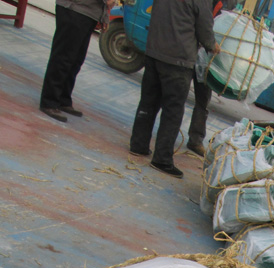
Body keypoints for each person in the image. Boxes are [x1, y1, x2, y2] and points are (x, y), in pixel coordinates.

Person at [129, 0, 220, 179]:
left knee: (148, 102)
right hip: (178, 60)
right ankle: (162, 159)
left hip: (154, 51)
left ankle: (138, 145)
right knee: (173, 111)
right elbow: (205, 28)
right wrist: (212, 45)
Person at [40, 0, 115, 122]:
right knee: (64, 56)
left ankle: (63, 99)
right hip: (75, 9)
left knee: (76, 60)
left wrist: (103, 16)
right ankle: (49, 101)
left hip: (88, 12)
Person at [186, 0, 237, 157]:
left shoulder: (227, 6)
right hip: (188, 50)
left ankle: (195, 140)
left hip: (207, 59)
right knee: (175, 95)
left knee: (203, 100)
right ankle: (167, 133)